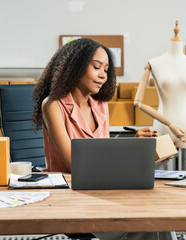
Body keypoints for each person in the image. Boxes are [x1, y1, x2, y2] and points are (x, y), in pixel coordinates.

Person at [32, 38, 175, 240]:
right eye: (97, 67)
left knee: (162, 216)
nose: (103, 75)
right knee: (146, 222)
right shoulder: (53, 105)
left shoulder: (100, 106)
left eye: (106, 70)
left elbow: (103, 155)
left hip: (104, 192)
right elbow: (77, 165)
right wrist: (130, 157)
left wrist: (139, 150)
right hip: (71, 198)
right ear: (75, 67)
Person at [134, 22, 186, 157]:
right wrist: (170, 124)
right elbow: (137, 103)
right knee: (161, 171)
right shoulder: (154, 63)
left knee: (185, 172)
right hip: (162, 126)